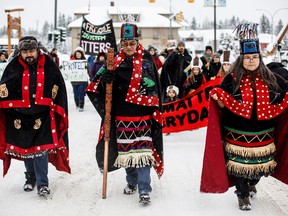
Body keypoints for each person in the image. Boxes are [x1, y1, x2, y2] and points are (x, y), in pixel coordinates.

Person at [200, 23, 288, 211]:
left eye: (254, 57)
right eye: (247, 58)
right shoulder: (231, 79)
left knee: (259, 169)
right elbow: (220, 96)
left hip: (263, 134)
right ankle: (242, 195)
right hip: (237, 133)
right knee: (239, 167)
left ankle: (251, 182)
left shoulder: (271, 78)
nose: (251, 61)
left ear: (259, 58)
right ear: (241, 59)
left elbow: (279, 97)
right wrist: (219, 97)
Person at [86, 23, 164, 204]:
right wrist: (105, 80)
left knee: (144, 155)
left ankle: (144, 189)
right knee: (127, 154)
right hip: (121, 117)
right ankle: (132, 182)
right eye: (126, 43)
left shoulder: (147, 62)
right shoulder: (112, 63)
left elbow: (155, 91)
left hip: (143, 116)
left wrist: (152, 105)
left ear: (137, 43)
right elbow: (96, 86)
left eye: (132, 43)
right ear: (121, 44)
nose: (129, 47)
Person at [0, 36, 70, 197]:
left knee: (40, 150)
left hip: (43, 116)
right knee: (26, 150)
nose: (29, 54)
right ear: (20, 52)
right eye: (25, 52)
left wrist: (55, 105)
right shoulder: (13, 66)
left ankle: (42, 183)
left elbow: (58, 85)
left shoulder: (49, 65)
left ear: (37, 50)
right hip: (19, 117)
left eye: (31, 51)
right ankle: (30, 178)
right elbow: (5, 87)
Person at [70, 46, 89, 112]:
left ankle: (81, 105)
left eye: (79, 54)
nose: (78, 55)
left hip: (82, 81)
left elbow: (88, 70)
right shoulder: (71, 62)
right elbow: (68, 69)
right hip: (74, 81)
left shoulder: (85, 62)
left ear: (81, 54)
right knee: (75, 93)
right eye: (77, 54)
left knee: (81, 93)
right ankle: (77, 104)